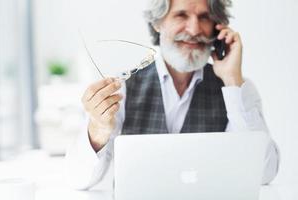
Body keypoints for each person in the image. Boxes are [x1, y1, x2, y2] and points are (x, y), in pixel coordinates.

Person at [65, 0, 279, 190]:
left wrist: (232, 82)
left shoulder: (236, 89)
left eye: (204, 17)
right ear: (158, 23)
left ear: (218, 27)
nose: (195, 29)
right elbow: (78, 179)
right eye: (181, 15)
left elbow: (264, 173)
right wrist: (98, 130)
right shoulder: (122, 90)